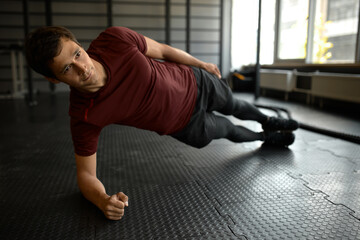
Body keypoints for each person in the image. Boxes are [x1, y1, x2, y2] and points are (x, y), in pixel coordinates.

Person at [25, 26, 299, 221]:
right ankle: (264, 137)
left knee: (237, 105)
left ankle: (268, 119)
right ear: (54, 80)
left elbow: (164, 51)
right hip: (184, 125)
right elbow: (86, 176)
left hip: (196, 82)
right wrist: (102, 200)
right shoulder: (84, 115)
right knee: (228, 130)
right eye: (66, 69)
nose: (82, 68)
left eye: (76, 54)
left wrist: (201, 64)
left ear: (79, 44)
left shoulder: (114, 40)